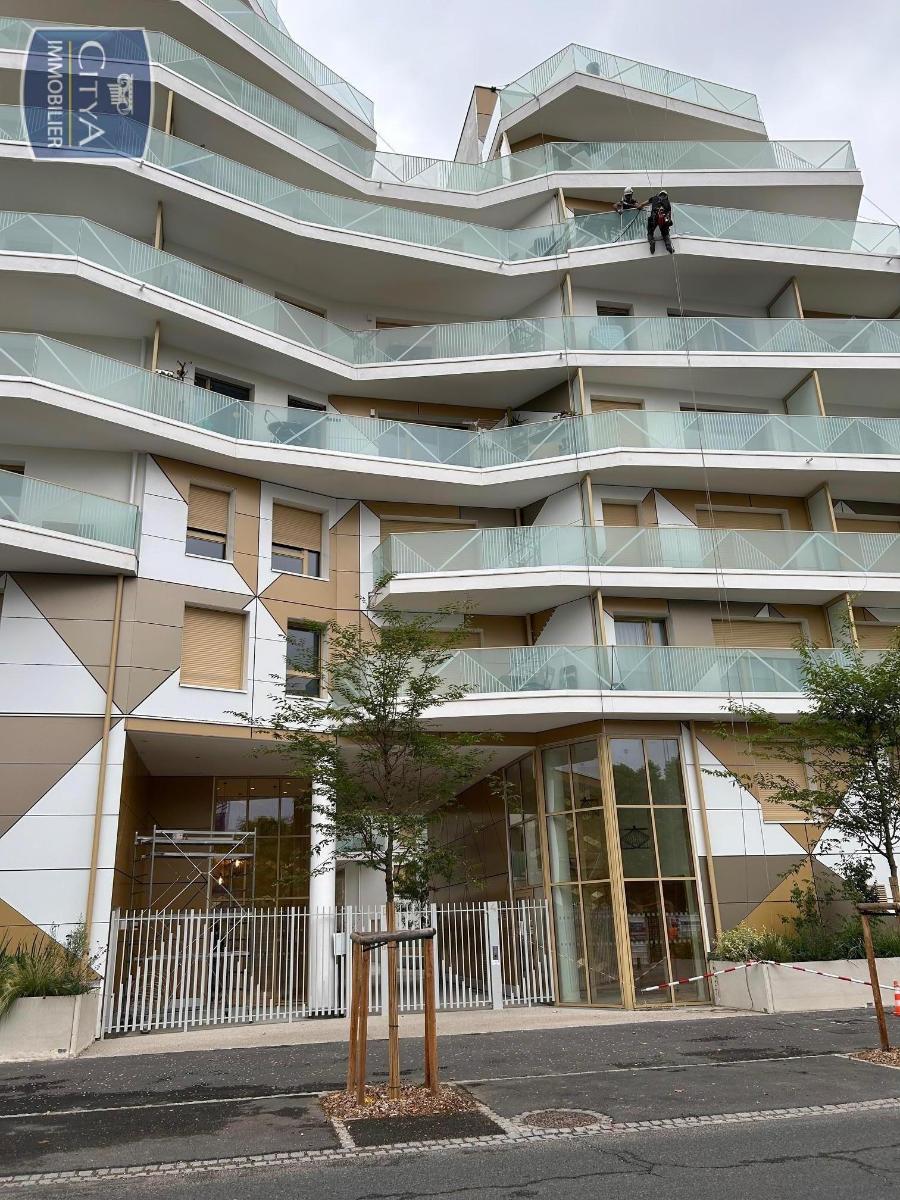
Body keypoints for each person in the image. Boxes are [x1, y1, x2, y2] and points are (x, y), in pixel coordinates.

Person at [647, 189, 674, 254]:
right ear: (666, 196)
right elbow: (669, 215)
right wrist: (668, 224)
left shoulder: (654, 198)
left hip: (654, 217)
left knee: (650, 232)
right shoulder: (667, 202)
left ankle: (652, 242)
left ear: (659, 194)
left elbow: (643, 204)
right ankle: (668, 245)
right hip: (664, 218)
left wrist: (639, 206)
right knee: (665, 233)